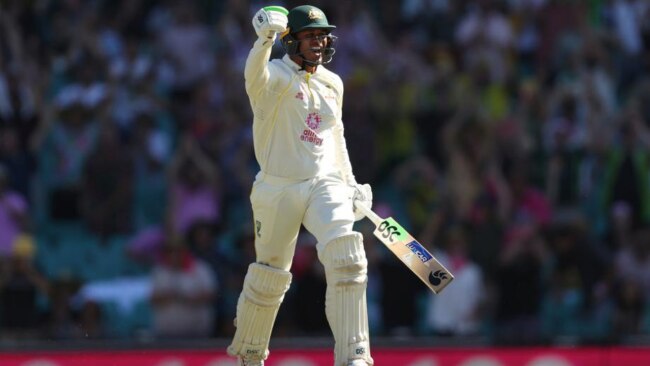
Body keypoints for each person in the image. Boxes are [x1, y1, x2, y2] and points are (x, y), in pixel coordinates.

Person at [226, 5, 374, 366]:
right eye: (310, 36)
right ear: (290, 41)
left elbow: (335, 135)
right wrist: (264, 40)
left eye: (322, 35)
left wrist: (350, 183)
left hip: (324, 184)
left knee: (347, 255)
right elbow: (253, 77)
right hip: (278, 188)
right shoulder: (275, 75)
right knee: (270, 275)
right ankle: (248, 353)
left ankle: (354, 356)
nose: (319, 42)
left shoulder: (332, 82)